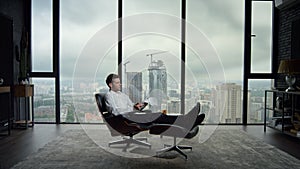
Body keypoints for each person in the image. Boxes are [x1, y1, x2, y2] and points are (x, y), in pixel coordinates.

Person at [104, 73, 205, 129]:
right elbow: (115, 111)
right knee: (159, 116)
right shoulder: (109, 96)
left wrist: (137, 106)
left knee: (160, 115)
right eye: (117, 83)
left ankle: (186, 120)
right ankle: (187, 120)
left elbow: (131, 105)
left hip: (132, 115)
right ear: (110, 84)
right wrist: (131, 108)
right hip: (125, 119)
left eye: (119, 82)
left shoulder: (123, 95)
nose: (120, 85)